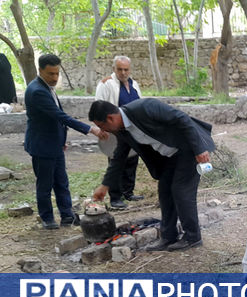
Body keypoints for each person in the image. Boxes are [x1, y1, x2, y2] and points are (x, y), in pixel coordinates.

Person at [88, 98, 215, 252]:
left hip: (189, 149)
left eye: (102, 126)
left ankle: (192, 237)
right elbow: (118, 158)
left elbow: (182, 118)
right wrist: (104, 186)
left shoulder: (145, 107)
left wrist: (199, 149)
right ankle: (168, 236)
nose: (104, 131)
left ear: (110, 118)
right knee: (165, 191)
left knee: (181, 190)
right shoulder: (122, 131)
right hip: (170, 156)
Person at [24, 54, 108, 230]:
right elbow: (60, 116)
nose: (55, 78)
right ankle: (47, 218)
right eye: (50, 74)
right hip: (42, 145)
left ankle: (67, 215)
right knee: (45, 185)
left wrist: (61, 140)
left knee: (61, 182)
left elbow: (55, 120)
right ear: (40, 71)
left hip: (54, 144)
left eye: (57, 73)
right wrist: (90, 129)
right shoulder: (37, 90)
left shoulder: (47, 87)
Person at [95, 55, 144, 210]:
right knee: (116, 162)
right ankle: (115, 197)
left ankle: (128, 192)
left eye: (126, 69)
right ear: (114, 69)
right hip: (115, 129)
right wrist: (102, 127)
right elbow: (98, 106)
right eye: (120, 69)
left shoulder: (134, 84)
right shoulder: (106, 84)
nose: (123, 72)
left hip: (132, 128)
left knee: (132, 161)